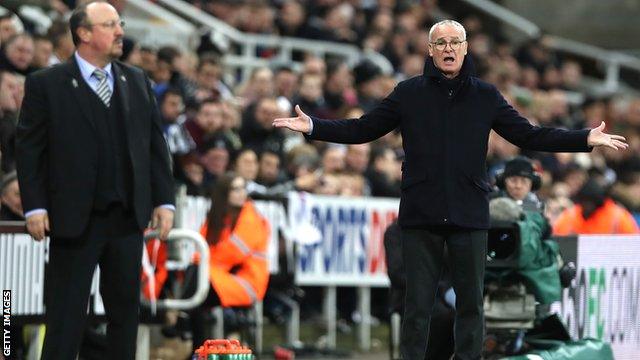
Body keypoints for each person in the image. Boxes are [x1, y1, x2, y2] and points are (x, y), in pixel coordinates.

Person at [273, 19, 628, 360]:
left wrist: (585, 138)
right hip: (420, 212)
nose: (448, 49)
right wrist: (313, 126)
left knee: (471, 304)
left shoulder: (486, 95)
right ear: (430, 50)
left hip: (470, 211)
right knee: (417, 306)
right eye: (440, 43)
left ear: (465, 48)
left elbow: (529, 135)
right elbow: (364, 129)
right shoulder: (408, 93)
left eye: (454, 42)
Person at [15, 2, 175, 359]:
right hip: (74, 220)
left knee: (124, 317)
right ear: (84, 34)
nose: (120, 31)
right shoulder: (47, 83)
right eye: (109, 25)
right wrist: (35, 206)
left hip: (127, 219)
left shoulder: (135, 80)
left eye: (119, 23)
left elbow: (154, 145)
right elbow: (29, 150)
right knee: (66, 317)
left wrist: (164, 201)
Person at [185, 172, 270, 353]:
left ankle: (190, 336)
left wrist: (205, 265)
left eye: (242, 188)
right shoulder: (217, 218)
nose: (241, 193)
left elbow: (232, 254)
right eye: (235, 189)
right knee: (195, 275)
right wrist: (204, 265)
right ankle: (198, 347)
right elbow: (200, 251)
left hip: (247, 283)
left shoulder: (251, 216)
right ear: (224, 193)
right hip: (222, 276)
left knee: (197, 281)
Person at [552, 178, 639, 235]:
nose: (588, 205)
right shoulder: (571, 215)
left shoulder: (618, 216)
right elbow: (557, 238)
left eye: (591, 202)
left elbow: (633, 242)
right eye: (585, 201)